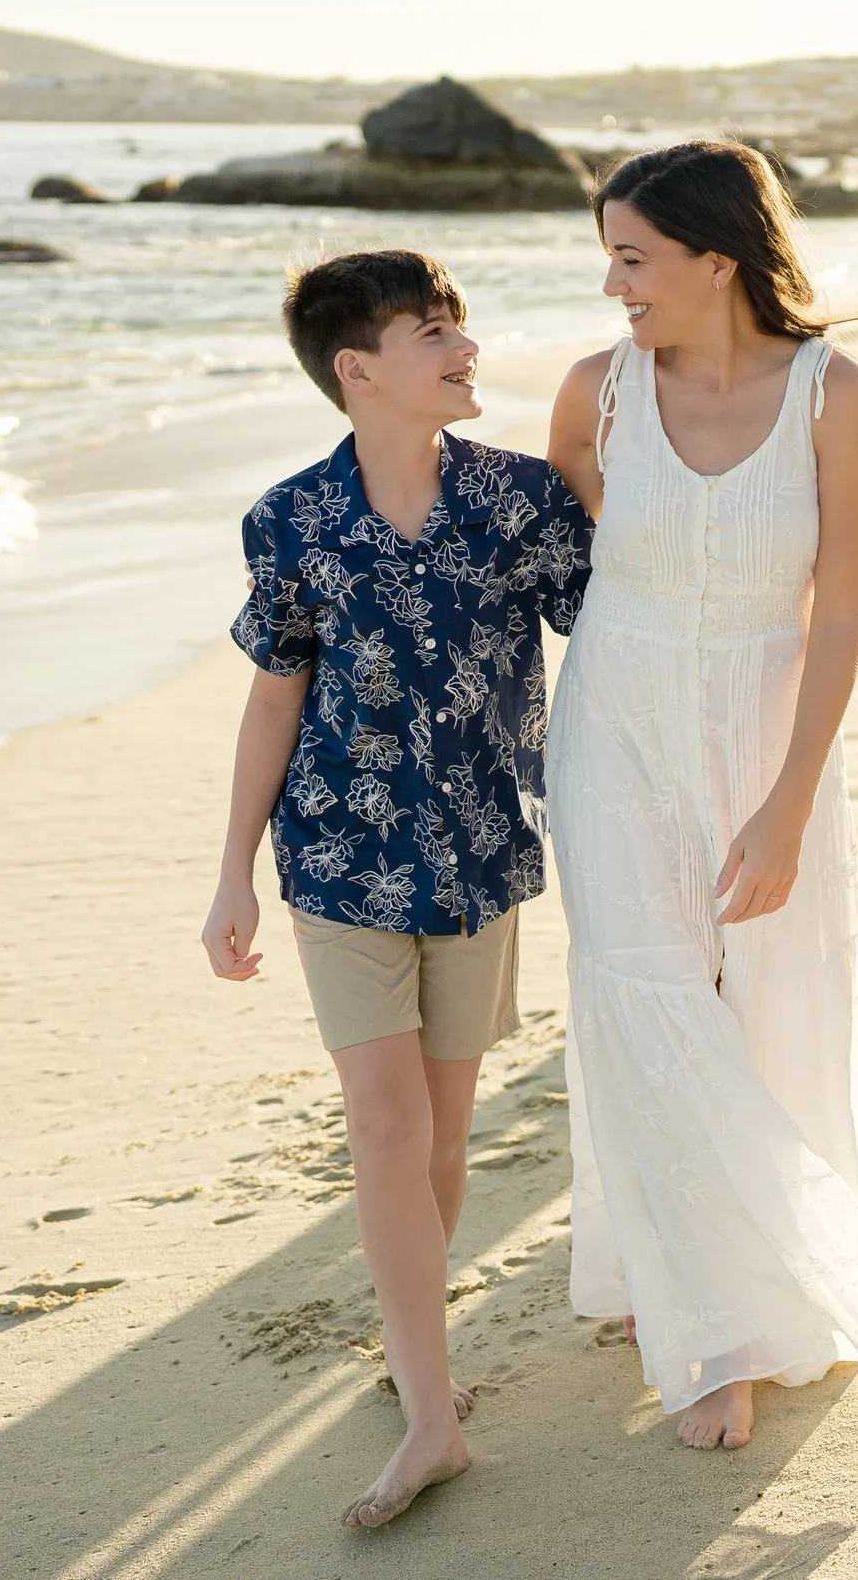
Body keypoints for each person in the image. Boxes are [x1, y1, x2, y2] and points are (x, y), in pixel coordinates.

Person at [543, 141, 858, 1451]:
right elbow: (596, 558)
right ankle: (709, 1327)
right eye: (608, 253)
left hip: (774, 732)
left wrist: (785, 798)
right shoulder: (596, 394)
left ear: (719, 260)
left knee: (769, 1001)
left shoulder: (838, 394)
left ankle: (777, 1279)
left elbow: (842, 610)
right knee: (650, 995)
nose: (613, 282)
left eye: (634, 256)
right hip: (617, 717)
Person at [200, 249, 590, 1527]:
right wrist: (232, 875)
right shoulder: (292, 519)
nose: (466, 347)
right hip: (336, 859)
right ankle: (432, 1410)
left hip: (482, 854)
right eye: (435, 331)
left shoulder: (524, 501)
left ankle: (410, 1345)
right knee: (382, 1124)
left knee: (440, 1133)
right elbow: (275, 696)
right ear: (357, 370)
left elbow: (620, 625)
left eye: (462, 325)